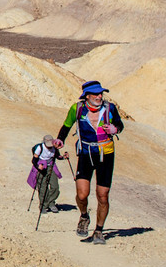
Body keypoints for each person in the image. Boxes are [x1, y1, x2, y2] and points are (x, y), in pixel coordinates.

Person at [57, 80, 124, 245]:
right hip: (86, 153)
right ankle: (84, 215)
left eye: (101, 93)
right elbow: (66, 126)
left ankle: (99, 231)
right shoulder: (77, 109)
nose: (99, 96)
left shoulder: (110, 108)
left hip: (105, 154)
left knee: (103, 195)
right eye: (96, 94)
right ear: (87, 96)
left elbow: (120, 125)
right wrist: (60, 140)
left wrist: (115, 129)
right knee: (82, 194)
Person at [30, 134, 64, 213]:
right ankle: (43, 206)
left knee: (55, 187)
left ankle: (51, 202)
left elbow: (57, 156)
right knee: (43, 187)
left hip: (51, 167)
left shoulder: (54, 148)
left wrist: (63, 157)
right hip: (42, 169)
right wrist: (38, 166)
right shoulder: (40, 148)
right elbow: (34, 160)